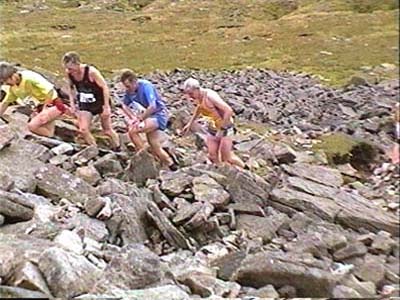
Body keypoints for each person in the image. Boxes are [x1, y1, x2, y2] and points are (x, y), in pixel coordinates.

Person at [119, 69, 177, 170]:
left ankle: (144, 159)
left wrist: (140, 119)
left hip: (158, 115)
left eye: (128, 86)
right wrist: (132, 117)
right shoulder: (129, 91)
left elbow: (152, 106)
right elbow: (124, 105)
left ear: (134, 81)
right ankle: (171, 164)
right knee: (154, 145)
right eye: (125, 87)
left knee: (133, 131)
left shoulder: (146, 86)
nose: (127, 89)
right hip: (148, 116)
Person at [181, 78, 245, 168]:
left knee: (226, 157)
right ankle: (221, 172)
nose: (190, 96)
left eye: (191, 93)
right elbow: (199, 107)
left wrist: (222, 128)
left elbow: (228, 110)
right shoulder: (198, 97)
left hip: (225, 128)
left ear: (197, 89)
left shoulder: (210, 96)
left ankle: (245, 168)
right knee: (212, 155)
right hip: (212, 128)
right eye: (188, 94)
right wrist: (190, 123)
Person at [62, 52, 120, 149]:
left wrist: (106, 107)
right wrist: (72, 103)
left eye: (71, 68)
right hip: (86, 103)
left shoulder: (91, 72)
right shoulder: (69, 74)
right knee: (83, 129)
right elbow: (71, 88)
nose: (69, 71)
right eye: (67, 68)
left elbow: (105, 87)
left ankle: (118, 147)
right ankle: (94, 148)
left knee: (107, 130)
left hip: (100, 101)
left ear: (77, 64)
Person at [0, 61, 69, 137]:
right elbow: (5, 103)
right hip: (39, 108)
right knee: (48, 132)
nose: (6, 84)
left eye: (6, 81)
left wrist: (45, 109)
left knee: (32, 126)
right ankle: (54, 141)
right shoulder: (13, 88)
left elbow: (50, 90)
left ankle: (66, 110)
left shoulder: (29, 77)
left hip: (53, 105)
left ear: (12, 75)